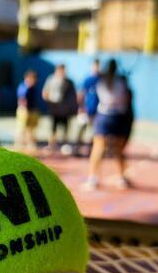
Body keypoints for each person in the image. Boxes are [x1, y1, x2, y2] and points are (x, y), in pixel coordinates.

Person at [83, 59, 131, 191]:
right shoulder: (121, 81)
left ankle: (92, 178)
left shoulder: (101, 80)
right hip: (118, 117)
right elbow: (126, 100)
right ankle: (121, 178)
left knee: (98, 147)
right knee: (118, 150)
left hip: (104, 116)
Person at [42, 64, 78, 152]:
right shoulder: (51, 79)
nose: (62, 72)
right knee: (53, 127)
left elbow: (73, 95)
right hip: (54, 107)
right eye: (61, 70)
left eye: (63, 70)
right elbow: (45, 93)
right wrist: (49, 102)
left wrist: (72, 107)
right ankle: (51, 145)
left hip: (64, 109)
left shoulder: (68, 82)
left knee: (65, 127)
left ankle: (64, 145)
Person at [75, 59, 101, 156]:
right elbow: (81, 94)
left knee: (95, 132)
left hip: (98, 110)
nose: (96, 68)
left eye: (98, 66)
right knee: (81, 128)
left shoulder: (102, 80)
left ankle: (90, 150)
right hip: (86, 109)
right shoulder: (87, 80)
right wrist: (81, 107)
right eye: (94, 66)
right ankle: (76, 149)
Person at [15, 70, 39, 151]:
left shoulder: (33, 88)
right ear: (27, 78)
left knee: (31, 129)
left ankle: (29, 143)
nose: (34, 81)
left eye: (35, 79)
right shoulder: (23, 87)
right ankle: (19, 143)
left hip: (32, 110)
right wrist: (25, 110)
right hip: (24, 111)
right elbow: (22, 99)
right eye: (32, 78)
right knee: (21, 128)